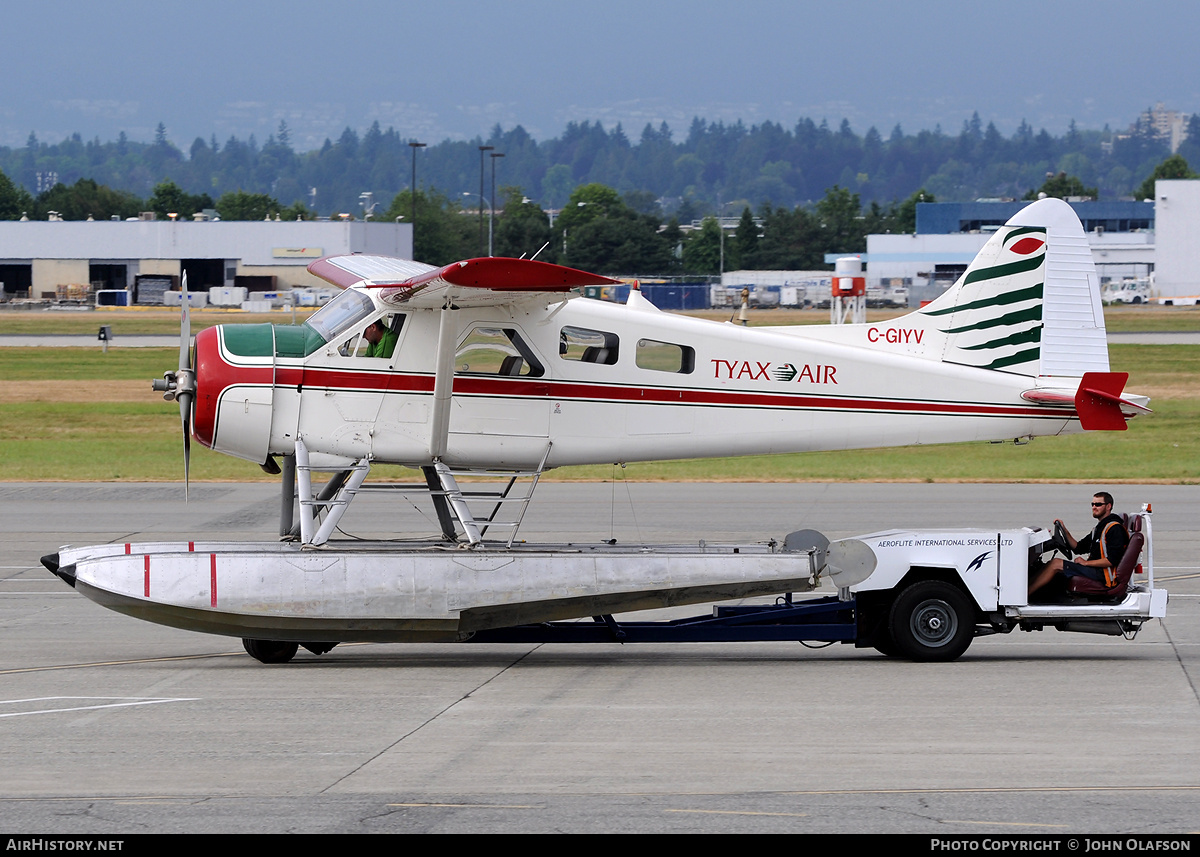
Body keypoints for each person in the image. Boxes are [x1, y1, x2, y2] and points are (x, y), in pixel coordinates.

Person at [1028, 492, 1129, 598]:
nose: (1094, 507)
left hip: (1104, 575)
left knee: (1055, 564)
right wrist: (1064, 530)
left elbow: (1112, 560)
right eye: (1092, 504)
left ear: (1108, 506)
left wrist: (1085, 563)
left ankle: (1025, 596)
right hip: (1095, 570)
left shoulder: (1114, 529)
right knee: (1049, 564)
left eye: (1098, 504)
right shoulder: (1099, 528)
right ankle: (1026, 592)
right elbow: (1078, 547)